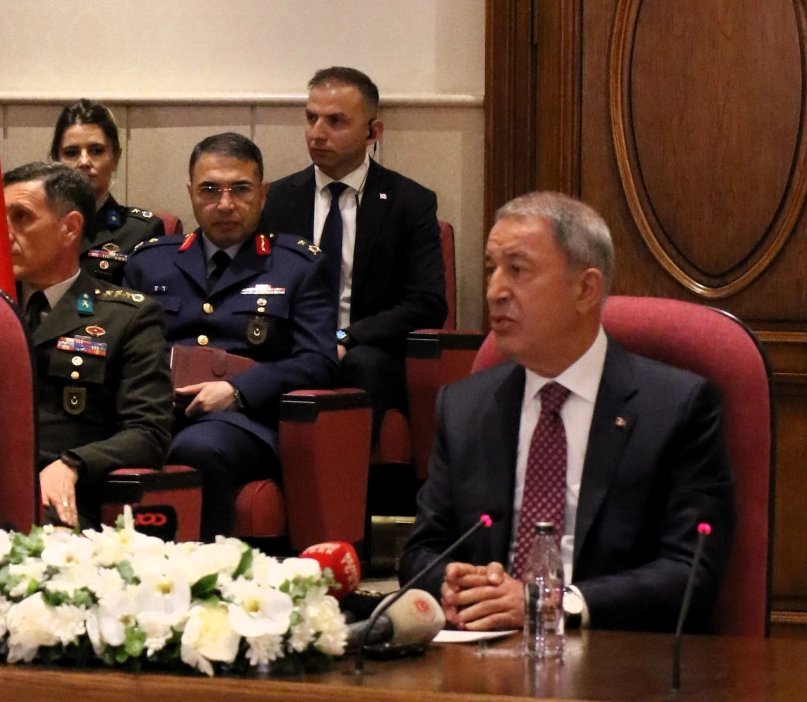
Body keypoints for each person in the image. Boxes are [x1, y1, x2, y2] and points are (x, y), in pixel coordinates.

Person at [398, 192, 735, 633]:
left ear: (585, 289)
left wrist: (553, 605)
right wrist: (456, 583)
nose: (495, 291)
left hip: (614, 655)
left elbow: (690, 571)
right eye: (491, 269)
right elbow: (422, 552)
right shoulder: (464, 406)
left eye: (517, 270)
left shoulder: (677, 407)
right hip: (483, 651)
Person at [124, 133, 337, 539]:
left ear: (263, 193)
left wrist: (237, 391)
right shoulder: (150, 262)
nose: (224, 204)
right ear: (191, 192)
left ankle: (206, 568)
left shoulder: (297, 265)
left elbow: (318, 361)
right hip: (153, 413)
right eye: (209, 190)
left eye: (240, 189)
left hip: (246, 423)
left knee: (197, 448)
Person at [263, 67, 447, 431]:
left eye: (335, 121)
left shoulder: (409, 203)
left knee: (362, 364)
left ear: (373, 132)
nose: (317, 133)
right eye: (311, 118)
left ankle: (347, 465)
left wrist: (348, 338)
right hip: (292, 348)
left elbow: (427, 302)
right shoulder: (278, 200)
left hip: (368, 352)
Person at [5, 162, 172, 528]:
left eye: (21, 218)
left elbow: (149, 432)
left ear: (70, 228)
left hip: (62, 498)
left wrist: (73, 464)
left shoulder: (127, 316)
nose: (5, 232)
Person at [50, 99, 165, 286]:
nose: (84, 162)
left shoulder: (141, 231)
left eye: (96, 151)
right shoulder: (38, 225)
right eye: (71, 153)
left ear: (115, 158)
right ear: (57, 161)